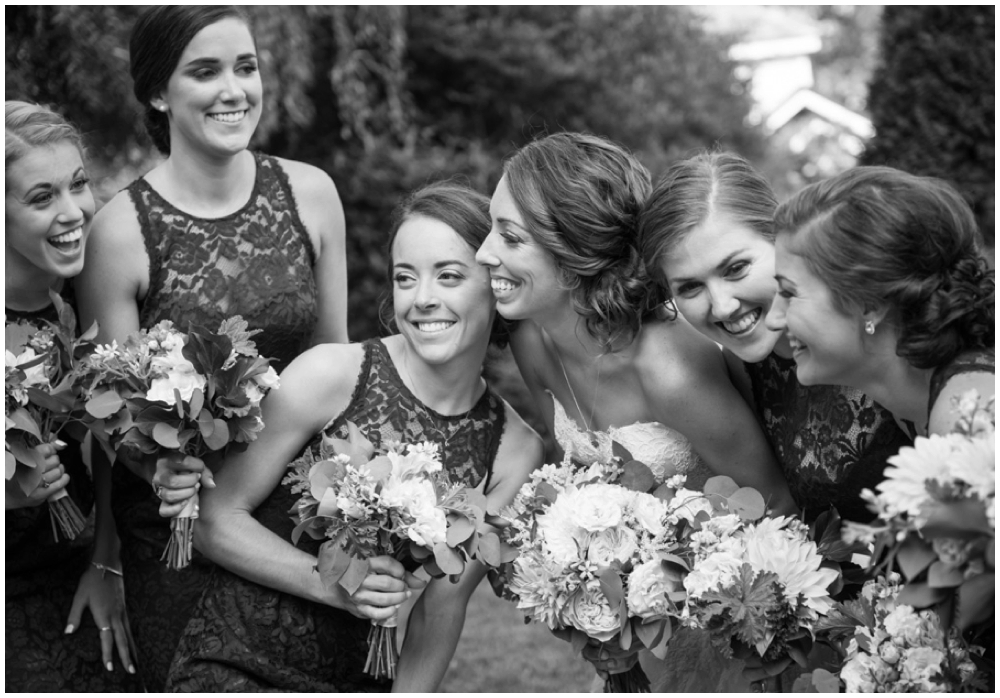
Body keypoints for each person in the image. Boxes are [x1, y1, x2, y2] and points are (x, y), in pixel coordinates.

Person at [165, 182, 542, 691]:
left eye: (449, 276)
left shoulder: (514, 448)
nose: (423, 299)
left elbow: (441, 608)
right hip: (235, 661)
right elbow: (214, 521)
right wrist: (334, 584)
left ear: (494, 284)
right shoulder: (331, 374)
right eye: (405, 278)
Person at [75, 6, 349, 690]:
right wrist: (154, 471)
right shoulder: (118, 233)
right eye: (205, 71)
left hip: (299, 519)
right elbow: (113, 412)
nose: (234, 90)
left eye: (246, 67)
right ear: (158, 93)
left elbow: (339, 364)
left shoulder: (311, 194)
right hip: (178, 537)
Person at [474, 133, 796, 690]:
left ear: (574, 252)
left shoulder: (669, 369)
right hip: (637, 641)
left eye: (509, 236)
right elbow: (577, 478)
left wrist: (674, 575)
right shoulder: (532, 339)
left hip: (728, 634)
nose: (484, 252)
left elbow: (777, 510)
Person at [638, 151, 915, 691]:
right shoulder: (747, 368)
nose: (721, 305)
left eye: (736, 268)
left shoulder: (876, 336)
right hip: (847, 648)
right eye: (689, 288)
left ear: (781, 241)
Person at [5, 100, 142, 691]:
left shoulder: (74, 309)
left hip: (78, 580)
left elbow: (111, 450)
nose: (73, 212)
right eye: (42, 198)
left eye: (78, 184)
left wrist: (105, 563)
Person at [766, 165, 994, 437]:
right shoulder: (909, 401)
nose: (773, 319)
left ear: (870, 304)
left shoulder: (971, 420)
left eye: (789, 293)